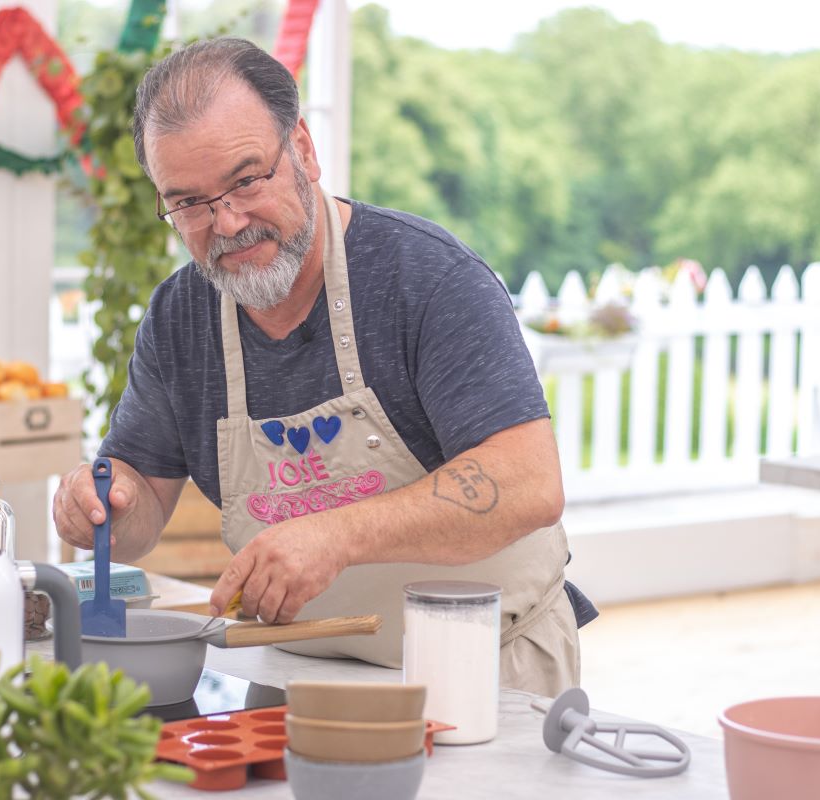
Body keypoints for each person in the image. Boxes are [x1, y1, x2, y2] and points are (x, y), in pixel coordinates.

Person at [53, 37, 595, 696]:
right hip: (291, 672)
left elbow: (530, 484)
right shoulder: (180, 319)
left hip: (479, 669)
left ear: (303, 150)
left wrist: (337, 536)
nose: (227, 222)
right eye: (189, 203)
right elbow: (136, 525)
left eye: (247, 179)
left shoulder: (424, 279)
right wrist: (105, 506)